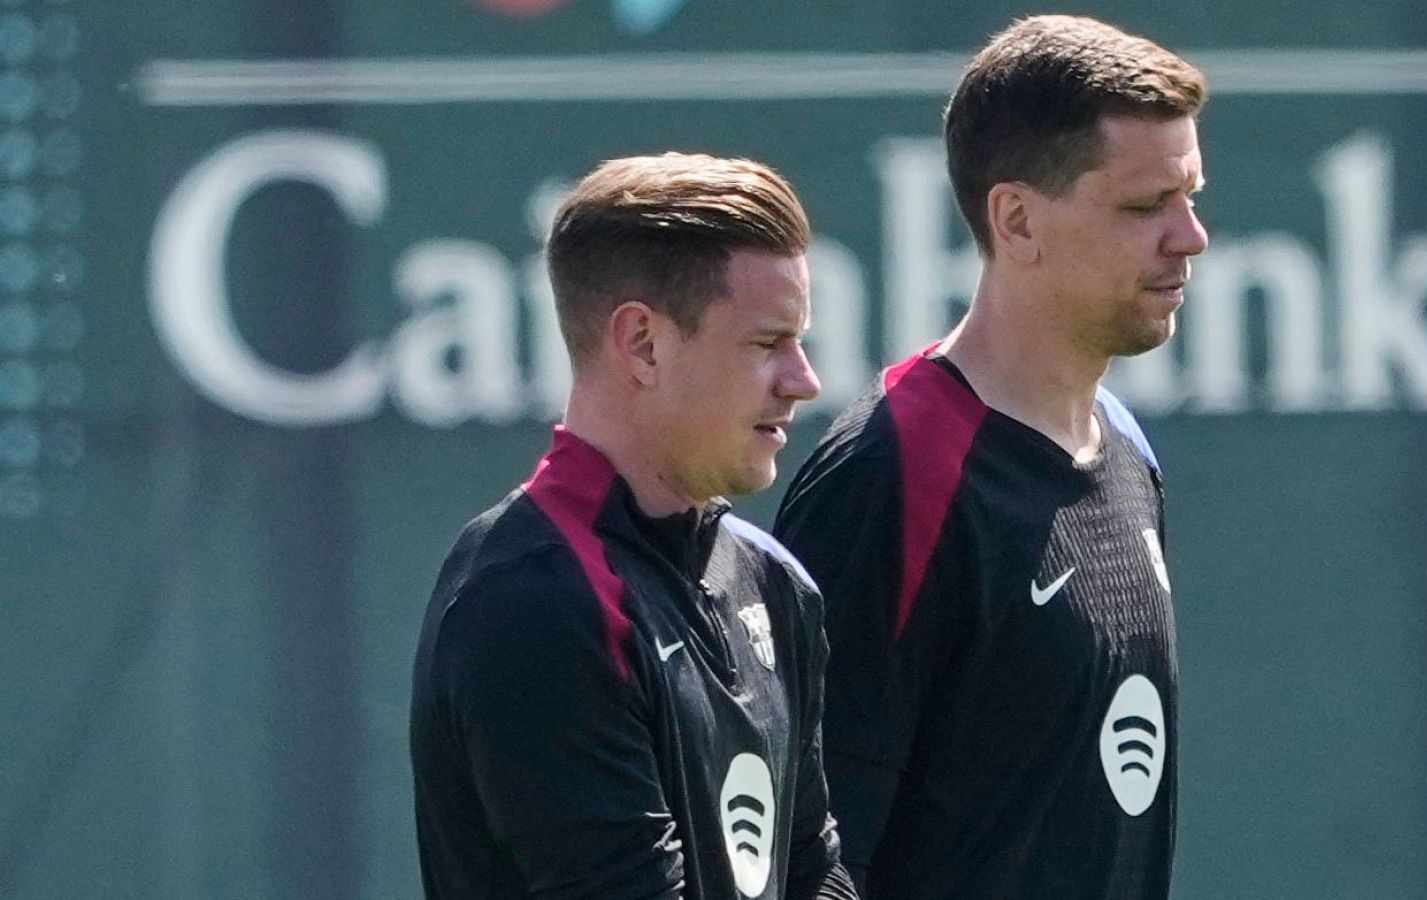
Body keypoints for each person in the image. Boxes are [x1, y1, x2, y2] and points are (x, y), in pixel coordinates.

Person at [774, 15, 1208, 899]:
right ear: (1016, 219)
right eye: (1142, 206)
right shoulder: (894, 470)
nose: (1190, 236)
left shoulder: (1123, 449)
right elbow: (808, 857)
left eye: (1192, 194)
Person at [411, 152, 856, 900]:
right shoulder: (534, 599)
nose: (804, 380)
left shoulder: (775, 584)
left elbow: (814, 871)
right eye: (766, 342)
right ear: (643, 344)